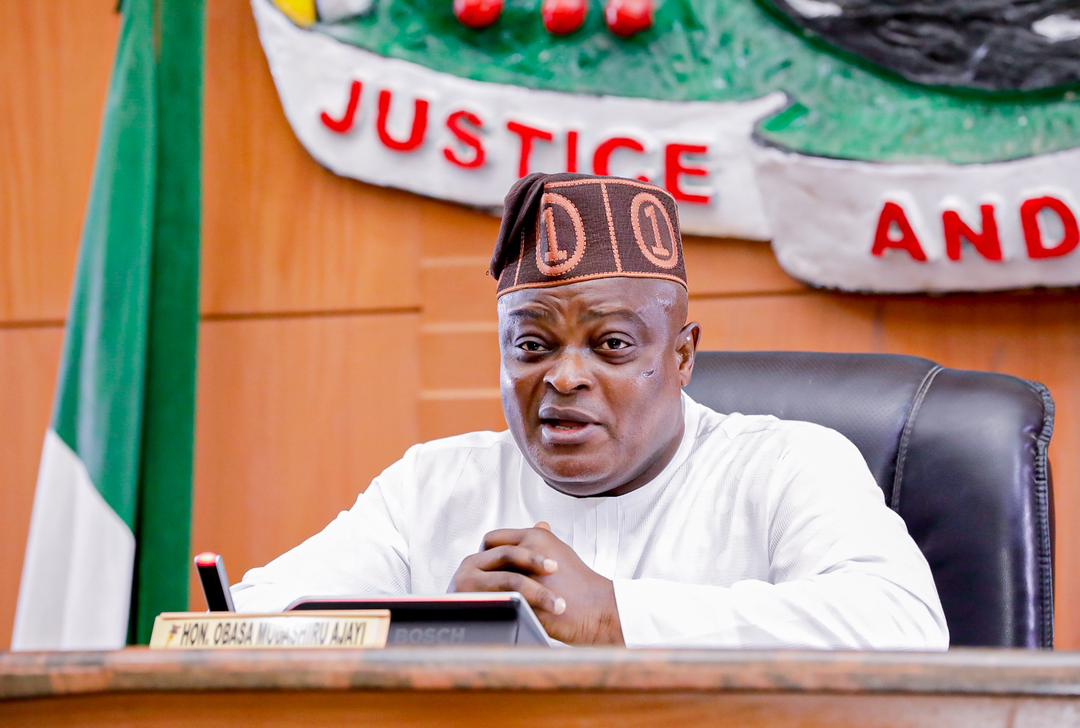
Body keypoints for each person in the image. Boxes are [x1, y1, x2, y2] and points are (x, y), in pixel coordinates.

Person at [232, 173, 949, 649]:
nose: (565, 377)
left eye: (611, 345)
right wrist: (434, 628)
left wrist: (613, 614)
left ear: (682, 356)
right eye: (533, 345)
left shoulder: (789, 464)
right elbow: (252, 622)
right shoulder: (434, 484)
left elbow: (902, 626)